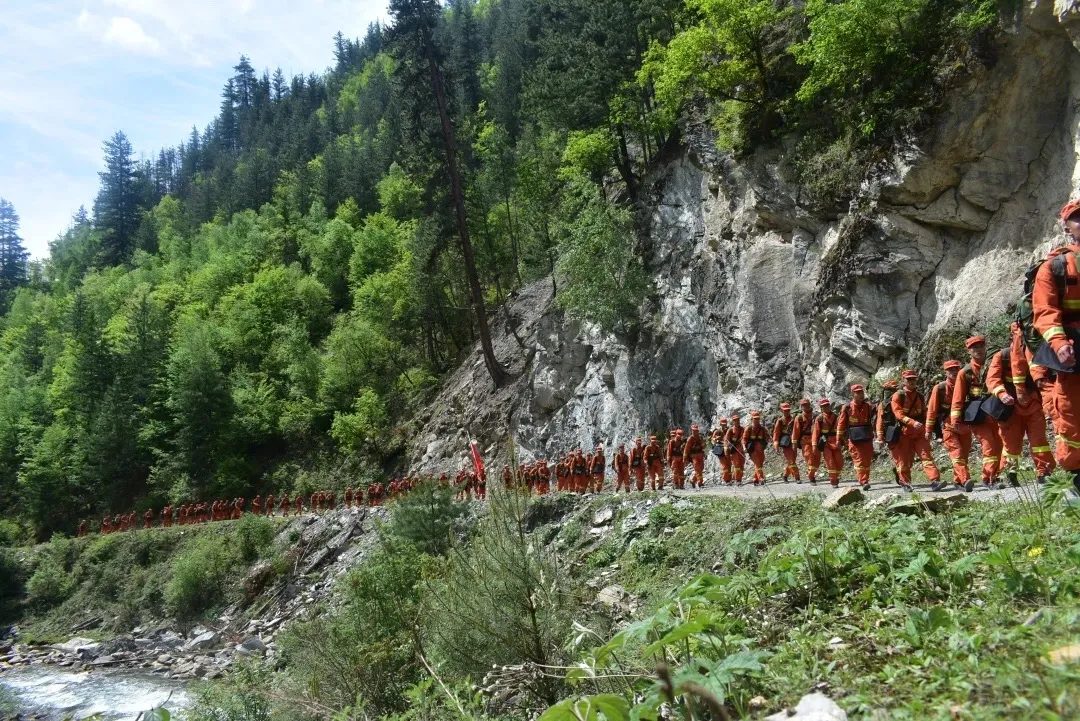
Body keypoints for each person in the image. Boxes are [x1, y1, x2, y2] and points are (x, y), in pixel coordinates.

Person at [1031, 202, 1080, 487]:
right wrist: (1060, 343)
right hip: (1073, 351)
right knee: (1072, 415)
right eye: (1078, 219)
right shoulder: (1054, 267)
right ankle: (1076, 477)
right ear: (1067, 228)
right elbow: (1045, 312)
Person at [988, 322, 1057, 484]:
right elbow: (992, 380)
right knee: (1011, 443)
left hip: (1033, 405)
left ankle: (1044, 472)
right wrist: (1002, 393)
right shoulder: (1001, 356)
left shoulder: (1035, 352)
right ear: (1012, 337)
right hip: (1011, 408)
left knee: (1039, 440)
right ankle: (1010, 473)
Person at [951, 336, 1003, 489]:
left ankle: (996, 475)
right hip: (978, 416)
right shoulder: (965, 373)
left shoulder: (993, 365)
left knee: (999, 445)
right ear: (969, 352)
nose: (978, 350)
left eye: (981, 346)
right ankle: (988, 479)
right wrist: (955, 419)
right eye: (974, 348)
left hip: (994, 412)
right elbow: (958, 397)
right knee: (989, 445)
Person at [889, 372, 940, 491]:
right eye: (909, 379)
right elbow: (898, 414)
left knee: (926, 456)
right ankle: (905, 483)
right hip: (904, 433)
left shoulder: (920, 396)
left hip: (919, 432)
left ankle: (935, 481)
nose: (912, 381)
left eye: (914, 379)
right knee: (905, 460)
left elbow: (924, 413)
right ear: (903, 380)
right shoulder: (898, 396)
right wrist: (912, 423)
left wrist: (929, 428)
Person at [926, 360, 970, 491]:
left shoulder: (966, 385)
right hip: (948, 427)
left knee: (964, 455)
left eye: (956, 369)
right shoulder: (940, 389)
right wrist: (928, 430)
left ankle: (958, 481)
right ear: (945, 372)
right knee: (957, 453)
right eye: (950, 370)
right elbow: (932, 410)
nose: (954, 372)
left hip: (965, 426)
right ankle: (965, 479)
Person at [838, 384, 875, 489]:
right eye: (857, 393)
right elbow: (841, 423)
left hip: (866, 436)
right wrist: (838, 438)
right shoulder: (847, 408)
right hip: (854, 438)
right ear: (852, 394)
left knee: (867, 459)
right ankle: (863, 481)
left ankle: (865, 479)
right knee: (859, 459)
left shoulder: (868, 406)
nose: (860, 394)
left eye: (861, 392)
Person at [813, 399, 843, 487]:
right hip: (826, 443)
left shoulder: (836, 416)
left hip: (836, 441)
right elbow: (816, 432)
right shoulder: (820, 418)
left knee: (839, 461)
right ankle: (833, 480)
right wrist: (814, 445)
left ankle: (836, 476)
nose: (826, 407)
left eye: (827, 405)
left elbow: (840, 429)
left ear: (830, 406)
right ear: (821, 408)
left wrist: (841, 440)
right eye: (824, 406)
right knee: (830, 461)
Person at [792, 399, 817, 484]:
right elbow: (795, 432)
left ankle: (811, 473)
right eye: (803, 405)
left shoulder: (815, 416)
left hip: (815, 440)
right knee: (809, 458)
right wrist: (794, 445)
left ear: (809, 405)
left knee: (817, 459)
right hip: (805, 440)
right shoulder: (799, 418)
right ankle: (811, 477)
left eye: (806, 404)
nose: (805, 406)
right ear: (801, 407)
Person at [773, 403, 799, 482]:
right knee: (791, 460)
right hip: (785, 442)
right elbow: (776, 433)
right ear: (782, 411)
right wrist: (776, 443)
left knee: (792, 460)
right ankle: (797, 477)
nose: (787, 412)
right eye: (785, 410)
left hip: (793, 441)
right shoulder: (780, 421)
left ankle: (785, 475)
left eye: (788, 410)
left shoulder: (794, 419)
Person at [743, 412, 769, 485]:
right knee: (757, 463)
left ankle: (755, 479)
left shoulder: (762, 428)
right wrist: (744, 447)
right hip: (752, 450)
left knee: (760, 463)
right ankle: (761, 479)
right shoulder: (748, 429)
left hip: (760, 449)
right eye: (755, 419)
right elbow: (744, 439)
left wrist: (769, 439)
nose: (757, 420)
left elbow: (766, 437)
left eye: (758, 419)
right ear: (752, 419)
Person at [726, 415, 746, 484]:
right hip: (734, 449)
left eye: (738, 420)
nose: (737, 421)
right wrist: (727, 449)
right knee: (736, 464)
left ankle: (736, 477)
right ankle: (738, 480)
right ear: (733, 422)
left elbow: (745, 438)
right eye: (735, 420)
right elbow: (726, 441)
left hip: (741, 449)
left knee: (742, 464)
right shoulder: (730, 430)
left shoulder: (743, 429)